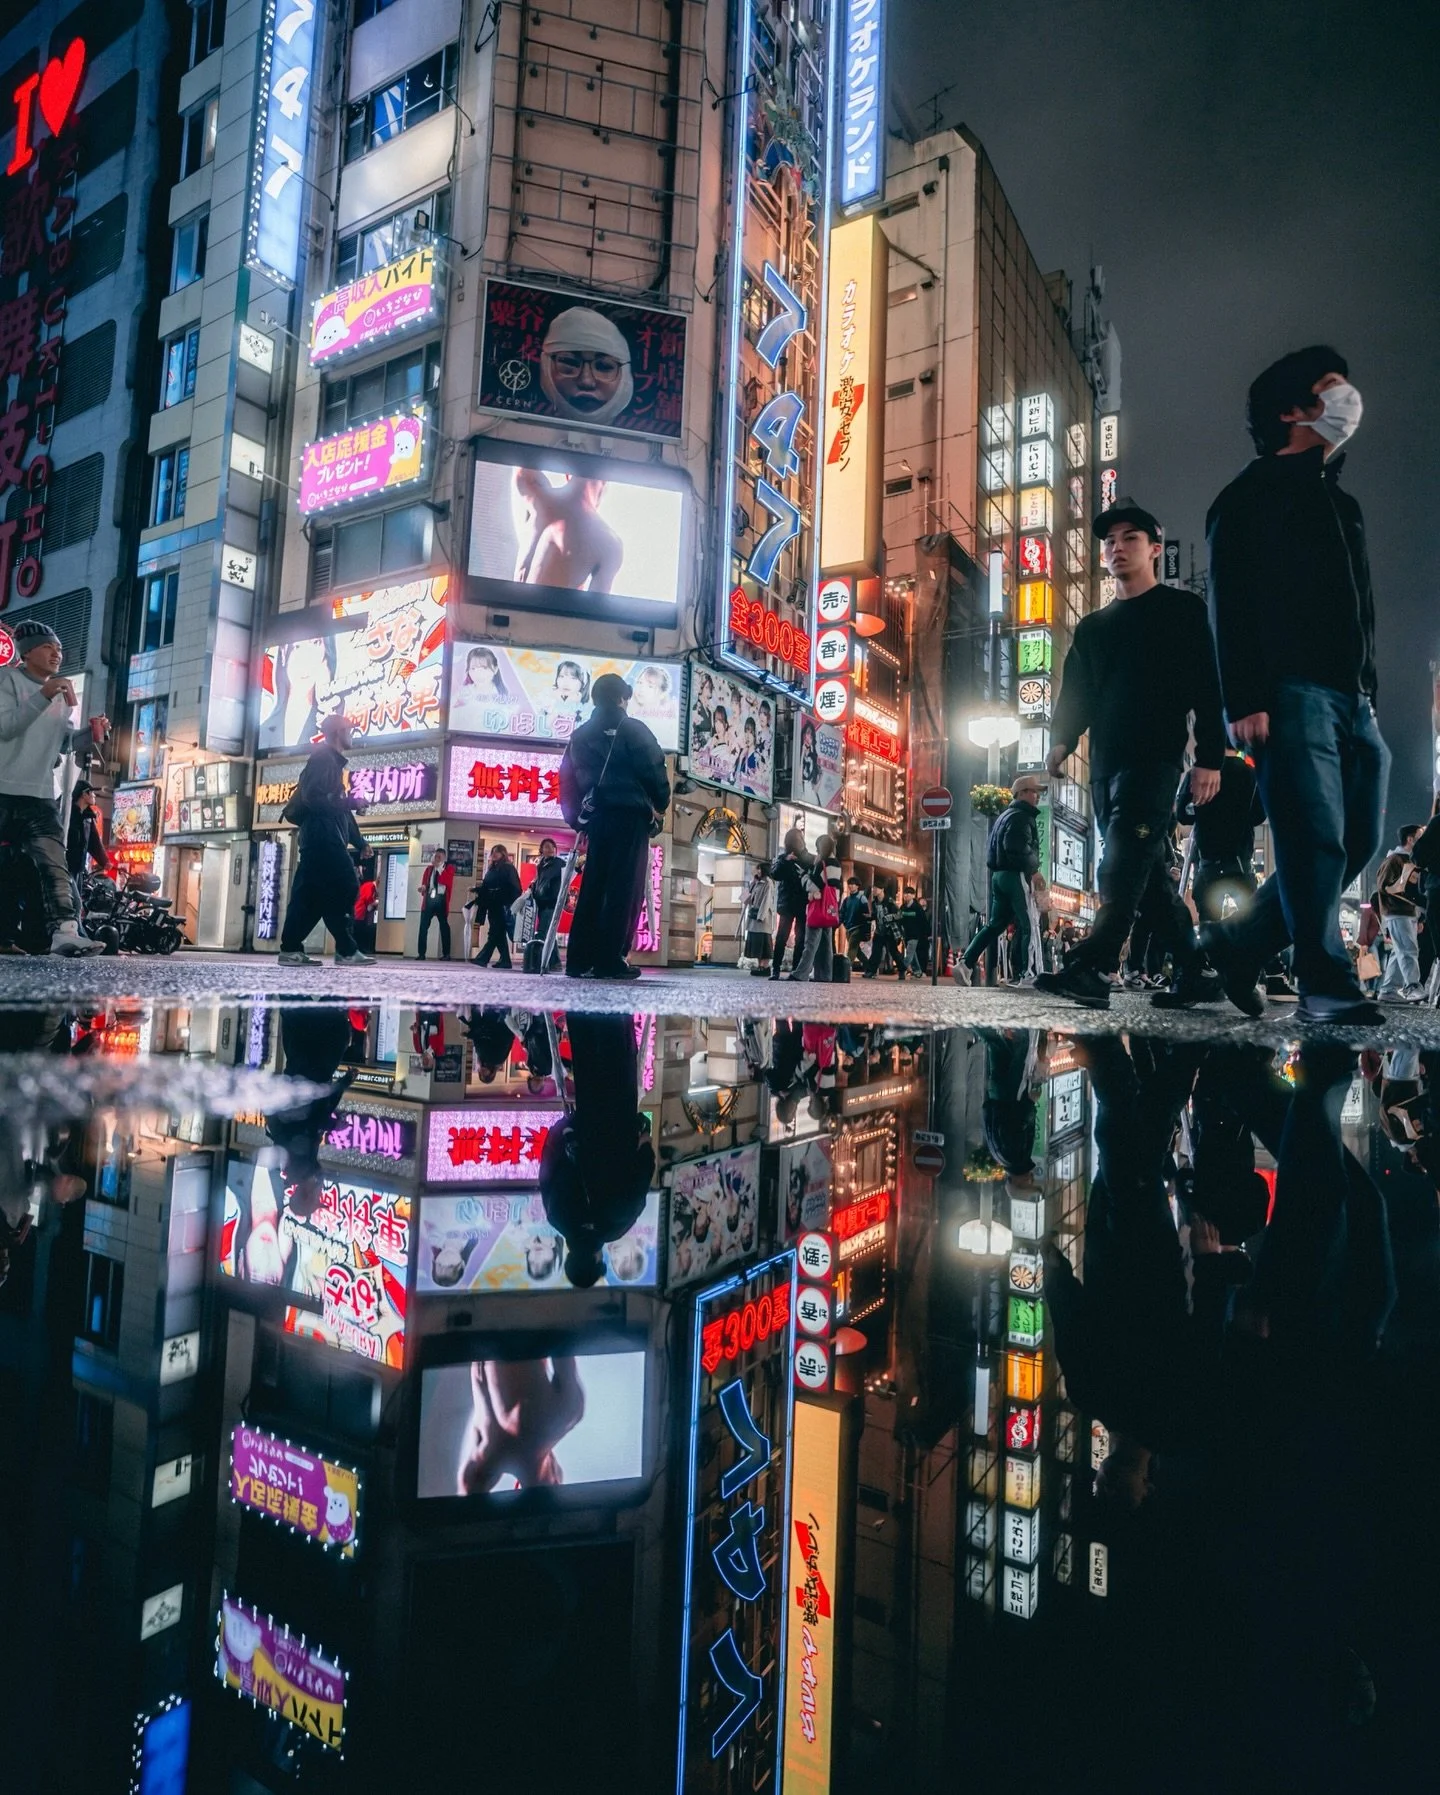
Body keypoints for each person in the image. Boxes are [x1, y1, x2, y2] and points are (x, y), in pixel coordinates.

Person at [1201, 346, 1389, 1026]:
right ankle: (1323, 980)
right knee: (1314, 840)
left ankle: (1240, 940)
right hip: (1288, 692)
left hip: (1353, 699)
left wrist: (1369, 686)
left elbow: (1361, 606)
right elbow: (1228, 602)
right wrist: (1243, 697)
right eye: (1330, 387)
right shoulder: (1245, 498)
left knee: (1358, 837)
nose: (1348, 397)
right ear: (1290, 410)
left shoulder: (1344, 504)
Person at [1037, 499, 1226, 1011]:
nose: (1117, 548)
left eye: (1130, 539)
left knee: (1120, 864)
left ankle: (1093, 965)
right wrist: (1062, 739)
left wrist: (1211, 755)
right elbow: (1076, 692)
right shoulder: (1094, 627)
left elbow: (1210, 688)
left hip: (1156, 762)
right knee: (1146, 878)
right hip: (1105, 767)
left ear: (1154, 550)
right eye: (1110, 542)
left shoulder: (1184, 612)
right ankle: (1194, 971)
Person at [0, 619, 109, 956]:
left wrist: (90, 736)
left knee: (54, 865)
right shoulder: (8, 679)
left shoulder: (59, 695)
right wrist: (44, 695)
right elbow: (6, 727)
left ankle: (65, 932)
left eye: (60, 649)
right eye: (49, 647)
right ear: (27, 651)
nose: (56, 654)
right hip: (3, 788)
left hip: (39, 794)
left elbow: (62, 745)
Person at [559, 671, 669, 979]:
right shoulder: (635, 731)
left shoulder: (579, 736)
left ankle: (579, 959)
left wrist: (577, 818)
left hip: (597, 818)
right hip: (630, 817)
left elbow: (566, 779)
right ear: (622, 698)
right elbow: (654, 770)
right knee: (624, 888)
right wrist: (660, 804)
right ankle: (610, 958)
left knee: (594, 884)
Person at [276, 713, 371, 966]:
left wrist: (360, 842)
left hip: (322, 840)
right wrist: (350, 801)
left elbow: (339, 811)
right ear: (339, 732)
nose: (352, 735)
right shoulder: (323, 759)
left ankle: (292, 948)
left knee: (312, 898)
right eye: (349, 730)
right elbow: (312, 797)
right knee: (346, 886)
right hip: (321, 840)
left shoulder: (331, 762)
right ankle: (346, 950)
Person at [957, 775, 1044, 986]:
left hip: (999, 877)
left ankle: (965, 963)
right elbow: (1016, 847)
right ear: (1022, 793)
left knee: (995, 925)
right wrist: (1033, 870)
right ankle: (1029, 973)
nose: (1038, 796)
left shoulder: (1005, 816)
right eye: (1034, 791)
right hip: (1016, 876)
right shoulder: (1022, 816)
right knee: (1029, 924)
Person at [1178, 747, 1265, 925]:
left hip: (1208, 863)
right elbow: (1259, 815)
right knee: (1250, 923)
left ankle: (1212, 952)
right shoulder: (1252, 775)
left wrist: (1203, 812)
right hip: (1240, 862)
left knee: (1208, 925)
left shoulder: (1197, 774)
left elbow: (1182, 815)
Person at [1375, 825, 1425, 1003]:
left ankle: (1388, 989)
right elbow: (1382, 886)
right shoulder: (1395, 860)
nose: (1423, 838)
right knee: (1408, 950)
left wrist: (1419, 916)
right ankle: (1411, 987)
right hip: (1397, 912)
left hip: (1407, 912)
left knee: (1400, 951)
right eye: (1420, 836)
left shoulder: (1409, 860)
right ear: (1410, 839)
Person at [790, 834, 842, 980]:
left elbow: (815, 887)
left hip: (818, 908)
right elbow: (834, 887)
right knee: (826, 946)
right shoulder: (836, 864)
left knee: (810, 943)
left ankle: (800, 974)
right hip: (829, 909)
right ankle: (825, 975)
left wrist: (804, 877)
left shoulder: (822, 863)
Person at [472, 844, 521, 969]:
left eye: (497, 852)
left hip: (502, 904)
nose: (494, 854)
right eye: (493, 852)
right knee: (498, 933)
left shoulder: (507, 868)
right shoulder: (493, 868)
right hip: (493, 904)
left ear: (503, 854)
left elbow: (514, 887)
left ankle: (483, 958)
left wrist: (510, 903)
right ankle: (505, 960)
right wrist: (477, 890)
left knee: (494, 932)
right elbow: (487, 885)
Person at [769, 828, 810, 978]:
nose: (800, 841)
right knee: (782, 937)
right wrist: (786, 860)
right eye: (798, 838)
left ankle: (795, 970)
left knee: (800, 938)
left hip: (802, 902)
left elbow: (812, 873)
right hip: (787, 903)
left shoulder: (807, 858)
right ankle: (776, 969)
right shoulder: (783, 858)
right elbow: (775, 874)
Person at [530, 837, 567, 970]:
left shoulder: (559, 864)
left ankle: (536, 961)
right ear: (542, 850)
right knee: (549, 933)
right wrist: (533, 889)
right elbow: (540, 881)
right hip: (541, 903)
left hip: (552, 903)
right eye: (546, 846)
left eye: (552, 846)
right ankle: (555, 962)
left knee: (542, 933)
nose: (550, 849)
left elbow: (561, 882)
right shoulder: (541, 865)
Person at [417, 847, 455, 961]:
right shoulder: (429, 869)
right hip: (429, 899)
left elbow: (445, 881)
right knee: (423, 926)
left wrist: (438, 867)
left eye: (439, 856)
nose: (437, 858)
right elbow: (425, 883)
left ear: (444, 857)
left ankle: (446, 953)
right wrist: (423, 887)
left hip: (441, 899)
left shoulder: (449, 868)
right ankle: (421, 953)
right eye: (435, 856)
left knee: (444, 927)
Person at [840, 877, 872, 967]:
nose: (851, 886)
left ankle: (846, 967)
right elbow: (842, 912)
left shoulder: (862, 898)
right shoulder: (847, 899)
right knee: (856, 950)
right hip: (849, 927)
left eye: (853, 884)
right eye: (849, 884)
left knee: (852, 948)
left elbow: (866, 914)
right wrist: (843, 922)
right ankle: (868, 966)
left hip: (858, 927)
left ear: (857, 886)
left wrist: (865, 929)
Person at [353, 857, 378, 955]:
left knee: (358, 930)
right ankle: (360, 949)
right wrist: (375, 902)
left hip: (359, 911)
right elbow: (368, 898)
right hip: (360, 911)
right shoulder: (370, 886)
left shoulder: (367, 885)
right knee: (360, 930)